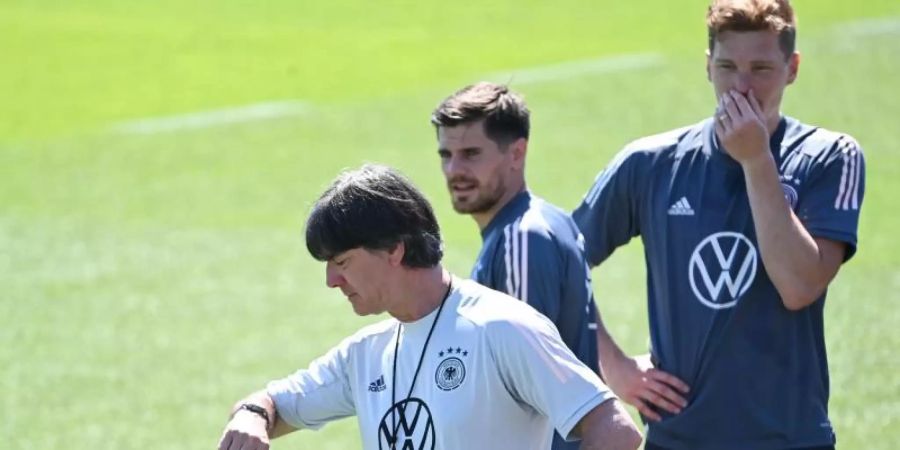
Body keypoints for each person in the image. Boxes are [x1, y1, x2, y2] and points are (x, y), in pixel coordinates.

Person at [572, 0, 865, 449]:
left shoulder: (830, 158)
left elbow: (798, 285)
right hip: (676, 440)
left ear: (793, 68)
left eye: (762, 68)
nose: (742, 87)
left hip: (788, 439)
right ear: (708, 66)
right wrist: (613, 364)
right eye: (728, 66)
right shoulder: (650, 164)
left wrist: (756, 160)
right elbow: (559, 262)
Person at [217, 164, 642, 450]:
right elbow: (275, 402)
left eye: (342, 262)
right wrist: (254, 415)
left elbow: (615, 430)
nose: (331, 280)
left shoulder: (501, 328)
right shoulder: (365, 354)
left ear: (393, 251)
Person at [431, 82, 605, 450]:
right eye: (446, 155)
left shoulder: (520, 241)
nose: (454, 170)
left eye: (471, 153)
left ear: (517, 153)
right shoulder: (545, 222)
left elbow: (523, 382)